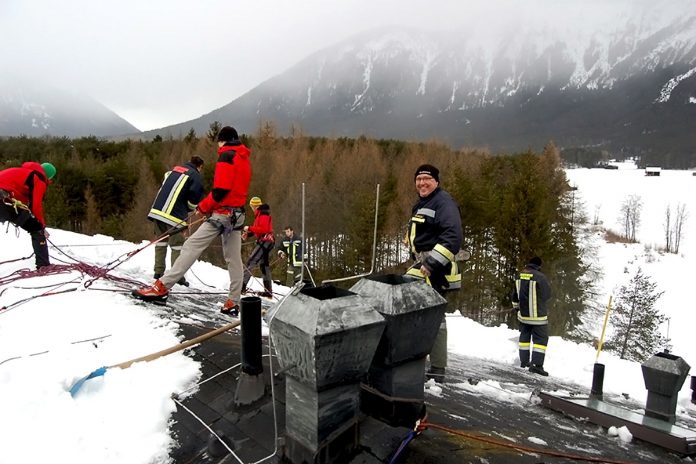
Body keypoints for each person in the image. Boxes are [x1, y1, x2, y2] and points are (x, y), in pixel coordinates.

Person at [133, 126, 251, 316]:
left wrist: (204, 207)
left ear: (222, 141)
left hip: (222, 214)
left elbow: (221, 190)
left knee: (190, 246)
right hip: (237, 215)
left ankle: (162, 287)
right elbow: (235, 190)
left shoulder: (226, 156)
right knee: (233, 258)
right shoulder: (244, 158)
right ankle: (232, 302)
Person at [404, 164, 463, 383]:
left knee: (423, 312)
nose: (422, 183)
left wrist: (431, 263)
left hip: (436, 269)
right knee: (431, 315)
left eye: (427, 179)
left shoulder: (443, 202)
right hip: (424, 265)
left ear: (436, 181)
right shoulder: (423, 203)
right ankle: (432, 365)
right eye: (418, 179)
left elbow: (453, 237)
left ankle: (429, 366)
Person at [148, 155, 205, 286]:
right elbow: (194, 198)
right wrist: (191, 209)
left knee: (160, 242)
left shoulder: (172, 171)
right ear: (200, 166)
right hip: (174, 215)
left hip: (157, 210)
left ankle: (158, 272)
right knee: (177, 245)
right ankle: (177, 277)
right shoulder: (195, 175)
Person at [0, 161, 56, 269]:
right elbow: (36, 205)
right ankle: (43, 265)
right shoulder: (38, 179)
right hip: (3, 199)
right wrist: (42, 226)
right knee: (36, 228)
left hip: (4, 197)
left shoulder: (23, 173)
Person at [511, 256, 552, 376]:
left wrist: (516, 308)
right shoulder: (540, 277)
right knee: (540, 340)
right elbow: (547, 294)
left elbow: (514, 295)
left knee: (524, 338)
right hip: (538, 316)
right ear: (539, 266)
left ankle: (524, 362)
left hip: (523, 315)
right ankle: (537, 365)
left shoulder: (519, 275)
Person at [241, 197, 274, 297]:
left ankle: (241, 286)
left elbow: (263, 229)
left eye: (251, 206)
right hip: (268, 241)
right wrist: (249, 234)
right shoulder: (260, 214)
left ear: (255, 206)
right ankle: (268, 291)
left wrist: (249, 228)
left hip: (265, 241)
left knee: (251, 261)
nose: (251, 208)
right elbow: (259, 229)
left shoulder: (263, 214)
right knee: (264, 265)